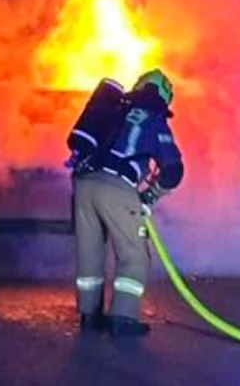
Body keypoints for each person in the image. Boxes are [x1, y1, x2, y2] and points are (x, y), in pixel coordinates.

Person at [65, 69, 185, 338]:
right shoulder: (154, 120)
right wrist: (150, 196)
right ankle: (123, 318)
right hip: (117, 186)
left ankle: (89, 316)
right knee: (134, 255)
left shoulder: (115, 107)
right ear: (165, 95)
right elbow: (173, 171)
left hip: (82, 183)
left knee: (90, 252)